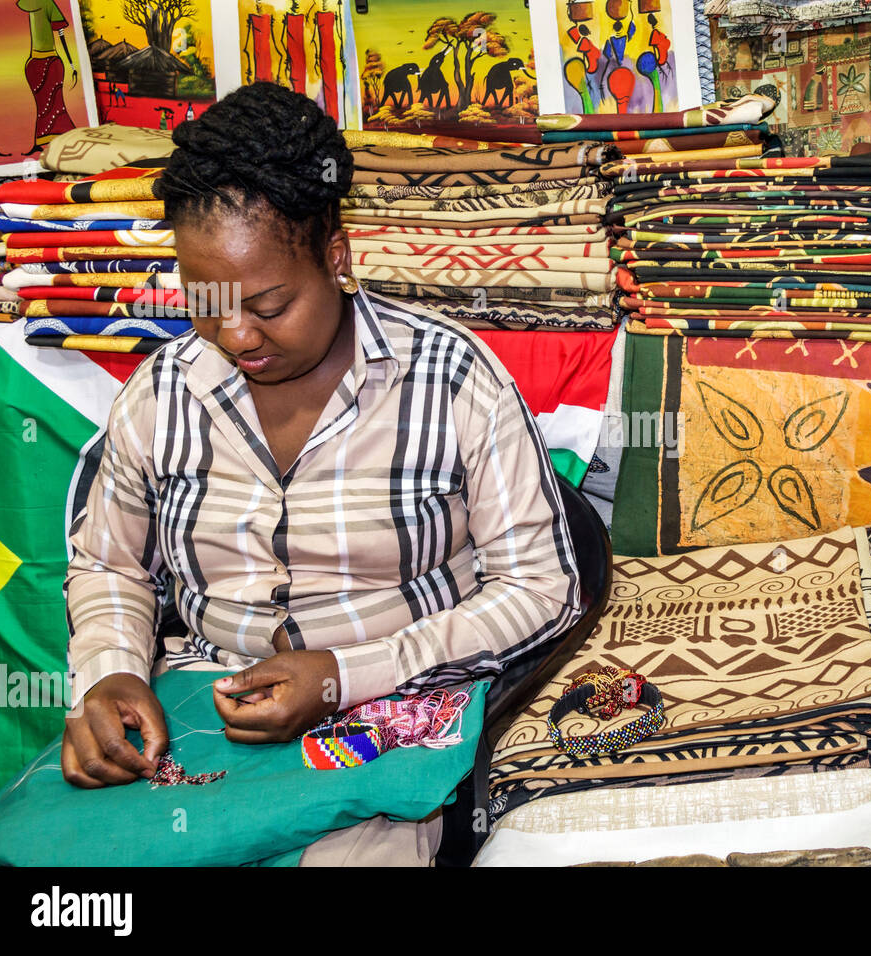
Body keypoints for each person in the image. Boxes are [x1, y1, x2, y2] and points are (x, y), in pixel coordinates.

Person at [60, 82, 582, 863]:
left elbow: (541, 589)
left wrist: (347, 675)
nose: (236, 334)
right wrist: (109, 674)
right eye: (208, 300)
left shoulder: (450, 379)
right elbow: (108, 564)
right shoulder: (162, 393)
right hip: (195, 709)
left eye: (269, 304)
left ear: (336, 258)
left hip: (387, 715)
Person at [16, 0, 79, 154]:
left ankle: (44, 140)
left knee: (45, 106)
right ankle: (60, 137)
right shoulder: (47, 3)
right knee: (55, 104)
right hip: (50, 61)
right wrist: (70, 63)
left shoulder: (30, 3)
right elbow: (61, 34)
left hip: (33, 62)